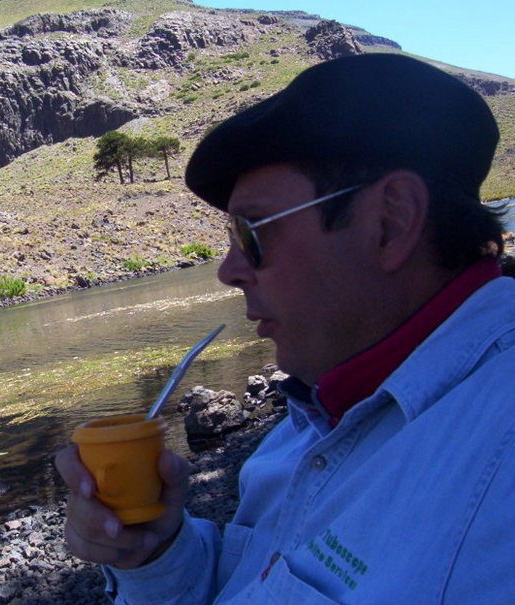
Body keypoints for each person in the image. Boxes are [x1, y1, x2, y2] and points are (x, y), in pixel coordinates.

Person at [55, 53, 515, 603]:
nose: (228, 270)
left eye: (251, 232)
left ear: (391, 221)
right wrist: (156, 553)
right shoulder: (309, 418)